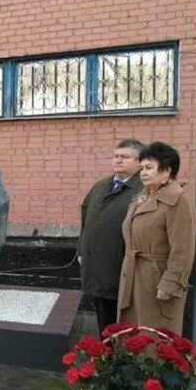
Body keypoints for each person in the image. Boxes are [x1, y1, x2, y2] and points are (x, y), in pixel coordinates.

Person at [117, 142, 196, 334]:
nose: (143, 172)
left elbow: (183, 247)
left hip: (156, 280)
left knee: (155, 339)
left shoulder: (178, 199)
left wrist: (171, 282)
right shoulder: (141, 197)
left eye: (150, 167)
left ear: (167, 171)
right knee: (132, 336)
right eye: (142, 168)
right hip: (133, 276)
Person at [79, 139, 145, 335]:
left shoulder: (143, 190)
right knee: (104, 323)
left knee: (126, 328)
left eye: (124, 157)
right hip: (98, 269)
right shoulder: (101, 186)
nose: (118, 160)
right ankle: (107, 361)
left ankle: (119, 362)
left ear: (139, 162)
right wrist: (81, 251)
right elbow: (85, 220)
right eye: (115, 156)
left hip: (123, 270)